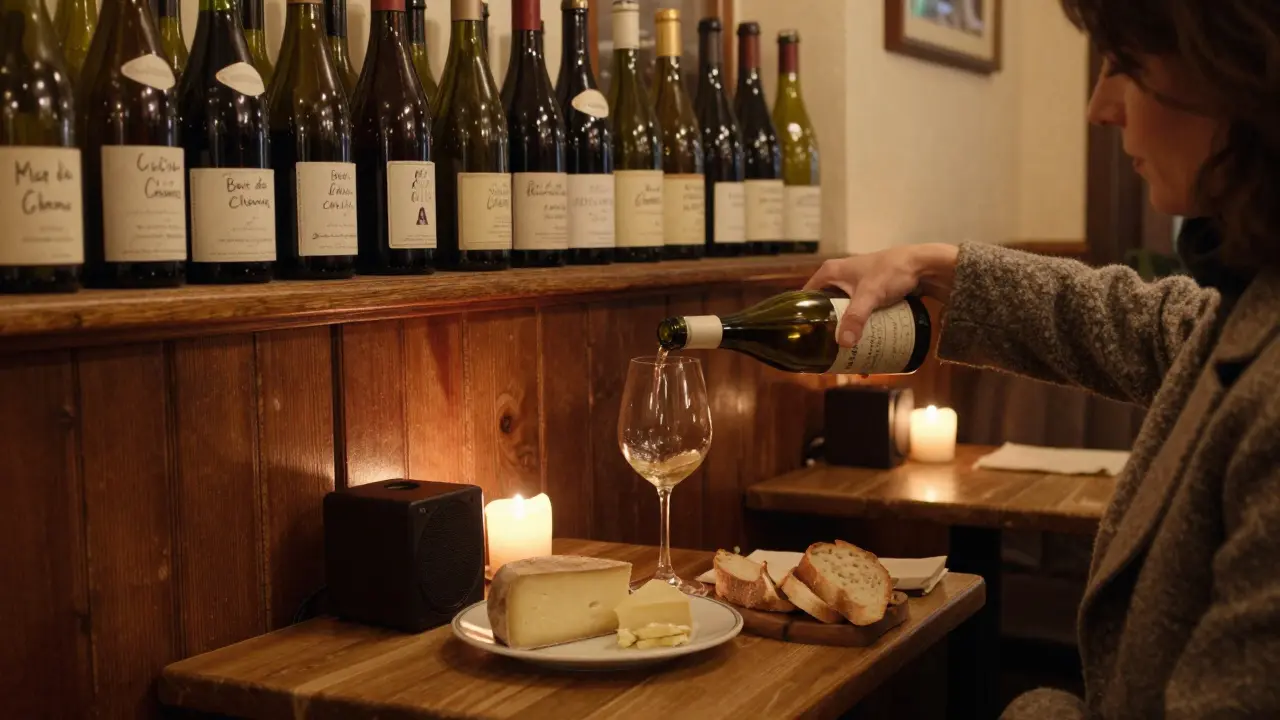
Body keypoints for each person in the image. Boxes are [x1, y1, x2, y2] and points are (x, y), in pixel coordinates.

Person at [804, 1, 1280, 718]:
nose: (1099, 108)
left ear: (1238, 70)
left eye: (1124, 65)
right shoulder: (1253, 302)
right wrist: (939, 265)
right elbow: (1152, 324)